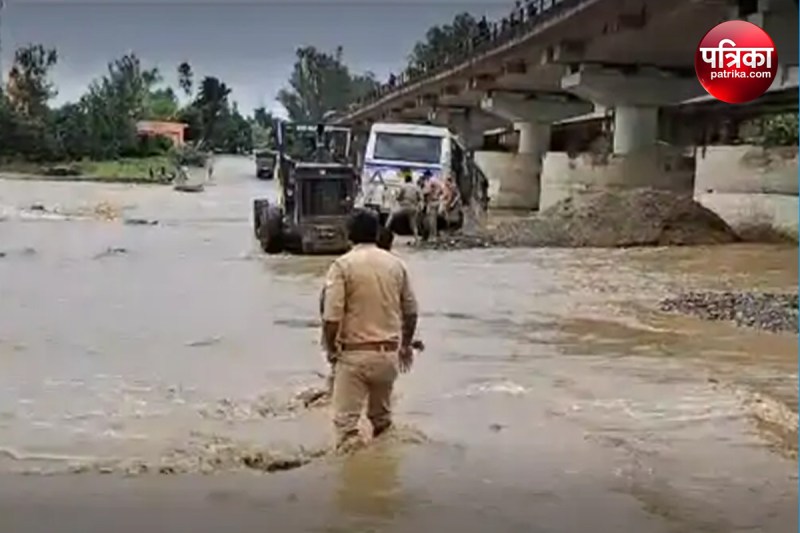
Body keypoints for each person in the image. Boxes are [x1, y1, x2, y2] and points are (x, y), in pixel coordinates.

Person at [321, 209, 418, 450]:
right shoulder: (396, 264)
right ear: (376, 233)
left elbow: (331, 317)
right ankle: (385, 475)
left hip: (355, 356)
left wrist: (331, 349)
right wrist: (405, 345)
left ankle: (357, 480)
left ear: (349, 234)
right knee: (382, 422)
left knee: (347, 429)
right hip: (388, 357)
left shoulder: (342, 266)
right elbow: (411, 311)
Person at [385, 169, 423, 241]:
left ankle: (385, 230)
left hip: (405, 206)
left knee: (392, 214)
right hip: (413, 207)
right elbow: (421, 197)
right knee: (413, 224)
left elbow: (399, 197)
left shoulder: (404, 186)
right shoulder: (416, 187)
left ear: (405, 180)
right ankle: (417, 239)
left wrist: (397, 198)